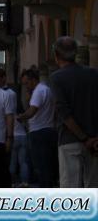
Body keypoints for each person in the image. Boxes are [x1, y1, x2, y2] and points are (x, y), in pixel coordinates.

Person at [50, 36, 98, 188]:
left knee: (70, 190)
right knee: (93, 188)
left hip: (69, 140)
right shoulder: (94, 74)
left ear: (57, 56)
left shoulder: (57, 78)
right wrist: (92, 139)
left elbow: (64, 112)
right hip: (95, 141)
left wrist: (83, 138)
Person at [17, 68, 58, 187]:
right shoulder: (47, 89)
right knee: (48, 165)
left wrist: (21, 117)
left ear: (34, 80)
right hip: (49, 129)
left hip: (39, 132)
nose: (26, 86)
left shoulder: (38, 91)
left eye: (27, 83)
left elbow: (32, 111)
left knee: (40, 166)